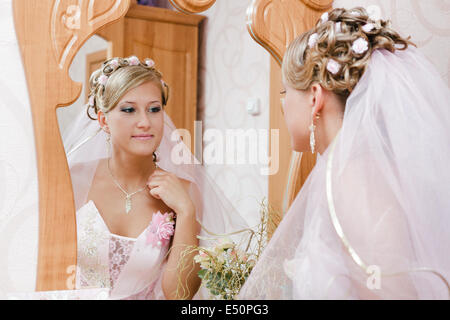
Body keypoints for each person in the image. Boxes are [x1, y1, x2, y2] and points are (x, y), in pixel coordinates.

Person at [238, 7, 450, 299]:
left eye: (286, 92)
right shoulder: (347, 168)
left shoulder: (353, 180)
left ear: (314, 98)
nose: (283, 105)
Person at [64, 56, 248, 300]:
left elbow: (179, 295)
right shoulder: (72, 180)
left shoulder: (184, 192)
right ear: (103, 120)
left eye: (154, 109)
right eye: (129, 110)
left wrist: (185, 211)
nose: (145, 122)